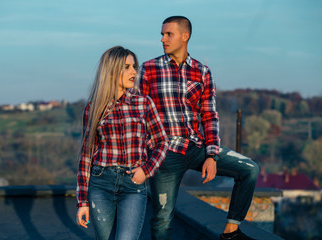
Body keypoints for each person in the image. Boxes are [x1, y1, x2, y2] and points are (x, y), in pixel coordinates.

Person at [139, 16, 260, 240]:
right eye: (162, 34)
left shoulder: (202, 72)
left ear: (185, 36)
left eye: (168, 34)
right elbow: (138, 115)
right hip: (163, 154)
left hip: (196, 147)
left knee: (249, 169)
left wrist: (212, 155)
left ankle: (231, 233)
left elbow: (210, 116)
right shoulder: (148, 69)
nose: (162, 39)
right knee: (162, 220)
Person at [76, 46, 169, 240]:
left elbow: (162, 142)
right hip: (100, 183)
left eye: (134, 66)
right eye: (127, 67)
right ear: (112, 70)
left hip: (133, 185)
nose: (134, 71)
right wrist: (82, 202)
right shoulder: (94, 108)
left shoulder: (144, 103)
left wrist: (147, 169)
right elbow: (86, 157)